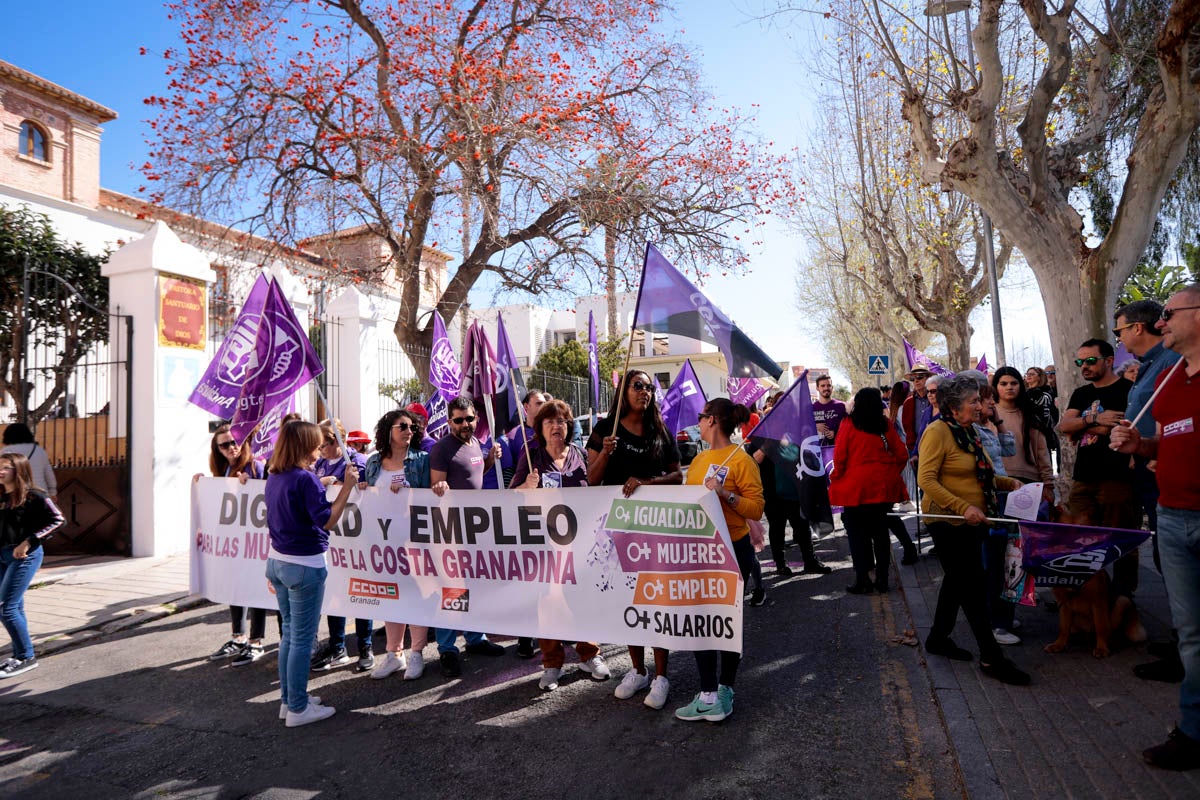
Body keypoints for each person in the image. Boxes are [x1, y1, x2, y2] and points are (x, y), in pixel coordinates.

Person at [1111, 286, 1200, 770]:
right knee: (1190, 635)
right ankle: (1193, 731)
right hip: (1172, 517)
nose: (1160, 323)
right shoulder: (1167, 380)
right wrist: (1137, 447)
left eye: (1170, 314)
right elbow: (1162, 443)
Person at [917, 375, 1030, 686]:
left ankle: (938, 638)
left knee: (956, 581)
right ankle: (991, 655)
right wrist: (962, 507)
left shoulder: (970, 433)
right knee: (972, 586)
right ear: (953, 407)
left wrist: (1010, 483)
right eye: (973, 402)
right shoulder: (937, 432)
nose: (980, 406)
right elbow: (926, 480)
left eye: (979, 401)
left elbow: (984, 476)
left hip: (975, 521)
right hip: (947, 522)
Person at [587, 369, 682, 709]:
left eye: (650, 387)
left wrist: (647, 484)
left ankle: (661, 676)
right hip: (618, 528)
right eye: (638, 386)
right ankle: (638, 670)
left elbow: (677, 475)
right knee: (628, 599)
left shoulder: (660, 430)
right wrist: (605, 454)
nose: (645, 392)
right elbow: (591, 478)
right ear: (623, 390)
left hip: (654, 527)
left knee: (654, 599)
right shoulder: (604, 430)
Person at [510, 398, 611, 690]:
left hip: (578, 545)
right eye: (550, 421)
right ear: (540, 428)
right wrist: (525, 487)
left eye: (562, 421)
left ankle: (589, 653)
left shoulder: (579, 454)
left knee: (582, 598)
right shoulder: (531, 455)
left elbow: (594, 492)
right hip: (544, 544)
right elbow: (511, 495)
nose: (557, 426)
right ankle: (552, 663)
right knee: (548, 601)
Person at [675, 398, 764, 722]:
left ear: (711, 420)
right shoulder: (698, 460)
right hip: (700, 549)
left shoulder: (741, 460)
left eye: (700, 417)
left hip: (733, 548)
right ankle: (707, 692)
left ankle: (725, 690)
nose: (697, 423)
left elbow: (756, 509)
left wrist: (726, 494)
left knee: (726, 620)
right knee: (700, 618)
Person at [265, 420, 357, 726]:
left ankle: (289, 700)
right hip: (304, 564)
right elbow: (328, 521)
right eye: (317, 445)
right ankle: (299, 708)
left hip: (278, 561)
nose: (320, 450)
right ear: (305, 446)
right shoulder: (305, 479)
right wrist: (347, 487)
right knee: (302, 639)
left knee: (290, 635)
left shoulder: (275, 475)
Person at [429, 396, 507, 677]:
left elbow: (474, 474)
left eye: (469, 419)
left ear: (476, 419)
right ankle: (447, 648)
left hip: (474, 529)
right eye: (459, 420)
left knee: (474, 584)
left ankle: (476, 639)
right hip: (450, 529)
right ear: (450, 421)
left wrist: (488, 460)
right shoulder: (441, 448)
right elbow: (436, 484)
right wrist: (439, 486)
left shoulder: (475, 443)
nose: (465, 424)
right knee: (452, 589)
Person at [1059, 338, 1139, 596]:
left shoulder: (1129, 389)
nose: (1084, 366)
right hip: (1083, 478)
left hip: (1117, 477)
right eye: (1080, 362)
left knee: (1122, 540)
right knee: (1079, 539)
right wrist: (1095, 420)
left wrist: (1082, 423)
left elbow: (1122, 428)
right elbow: (1064, 426)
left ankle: (1123, 599)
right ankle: (1088, 595)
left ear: (1108, 361)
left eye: (1090, 360)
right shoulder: (1082, 394)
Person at [362, 409, 431, 682]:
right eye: (402, 426)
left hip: (413, 539)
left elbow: (429, 499)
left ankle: (416, 652)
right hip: (384, 541)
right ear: (388, 430)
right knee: (391, 594)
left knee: (415, 594)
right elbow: (366, 499)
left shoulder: (422, 460)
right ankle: (394, 654)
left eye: (412, 427)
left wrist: (411, 494)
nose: (408, 431)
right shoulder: (373, 462)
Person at [197, 425, 273, 667]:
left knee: (255, 588)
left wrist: (248, 483)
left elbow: (263, 496)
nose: (231, 447)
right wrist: (202, 484)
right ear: (217, 449)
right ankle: (238, 637)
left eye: (234, 441)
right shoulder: (224, 469)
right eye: (224, 444)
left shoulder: (256, 466)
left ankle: (256, 641)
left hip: (255, 542)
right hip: (235, 543)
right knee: (236, 588)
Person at [310, 419, 374, 672]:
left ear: (335, 440)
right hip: (331, 540)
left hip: (357, 539)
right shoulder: (322, 463)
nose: (319, 449)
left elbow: (366, 491)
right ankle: (338, 647)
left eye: (322, 444)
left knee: (361, 594)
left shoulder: (356, 462)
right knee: (335, 593)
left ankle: (365, 646)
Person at [829, 388, 908, 594]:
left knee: (858, 536)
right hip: (882, 489)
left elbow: (840, 457)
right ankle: (882, 580)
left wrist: (837, 477)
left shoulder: (848, 424)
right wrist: (890, 472)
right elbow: (901, 454)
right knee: (881, 536)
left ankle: (862, 579)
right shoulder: (885, 425)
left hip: (856, 489)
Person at [0, 452, 65, 677]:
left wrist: (29, 542)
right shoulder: (1, 496)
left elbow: (58, 520)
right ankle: (20, 655)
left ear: (18, 470)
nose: (1, 471)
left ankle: (26, 657)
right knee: (14, 606)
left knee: (6, 608)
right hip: (2, 556)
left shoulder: (34, 495)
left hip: (24, 556)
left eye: (6, 467)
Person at [886, 381, 920, 564]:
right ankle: (907, 499)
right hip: (907, 447)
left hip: (901, 447)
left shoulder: (894, 409)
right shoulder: (903, 409)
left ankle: (906, 499)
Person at [1, 423, 56, 502]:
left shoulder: (4, 452)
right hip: (40, 493)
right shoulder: (39, 450)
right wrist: (53, 492)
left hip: (16, 495)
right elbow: (49, 475)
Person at [812, 374, 846, 445]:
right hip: (817, 452)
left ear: (832, 387)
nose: (826, 388)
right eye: (823, 386)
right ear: (817, 388)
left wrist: (836, 432)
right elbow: (804, 429)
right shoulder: (811, 408)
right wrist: (815, 427)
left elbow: (848, 428)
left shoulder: (842, 406)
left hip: (837, 451)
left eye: (829, 385)